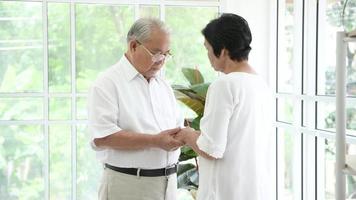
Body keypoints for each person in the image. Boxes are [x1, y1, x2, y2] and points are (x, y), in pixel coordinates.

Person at [175, 13, 274, 200]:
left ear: (223, 50)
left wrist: (187, 134)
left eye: (208, 49)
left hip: (226, 192)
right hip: (255, 190)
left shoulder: (224, 85)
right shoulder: (260, 84)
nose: (208, 56)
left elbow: (212, 149)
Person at [88, 18, 184, 200]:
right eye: (156, 53)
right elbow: (102, 137)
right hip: (129, 185)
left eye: (166, 54)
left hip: (169, 185)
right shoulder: (107, 83)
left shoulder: (163, 85)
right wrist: (155, 141)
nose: (161, 61)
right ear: (133, 46)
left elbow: (175, 129)